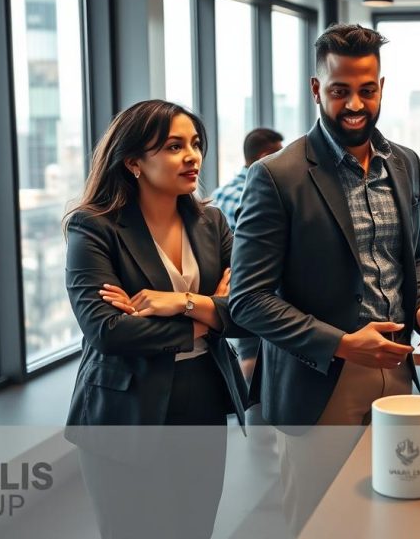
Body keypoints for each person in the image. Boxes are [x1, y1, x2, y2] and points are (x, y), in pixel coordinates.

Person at [228, 24, 420, 534]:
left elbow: (415, 256)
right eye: (339, 90)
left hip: (396, 370)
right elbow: (247, 299)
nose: (355, 103)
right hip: (318, 381)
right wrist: (343, 345)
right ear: (316, 89)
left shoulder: (405, 164)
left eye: (366, 89)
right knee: (320, 524)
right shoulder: (276, 176)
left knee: (400, 515)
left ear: (381, 87)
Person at [63, 100, 248, 539]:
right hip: (124, 408)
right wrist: (206, 312)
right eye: (172, 146)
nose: (192, 156)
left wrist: (178, 303)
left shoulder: (213, 222)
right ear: (133, 162)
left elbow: (247, 312)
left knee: (195, 527)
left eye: (196, 144)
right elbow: (108, 332)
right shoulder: (94, 228)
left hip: (202, 395)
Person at [210, 127, 284, 383]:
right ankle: (250, 408)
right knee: (252, 357)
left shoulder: (221, 192)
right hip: (258, 292)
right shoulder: (259, 193)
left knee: (245, 353)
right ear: (265, 155)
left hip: (228, 290)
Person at [210, 127, 284, 231]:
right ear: (265, 158)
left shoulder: (217, 194)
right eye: (281, 157)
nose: (284, 163)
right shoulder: (258, 201)